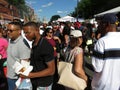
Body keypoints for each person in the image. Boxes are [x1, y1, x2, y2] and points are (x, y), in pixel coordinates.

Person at [21, 22, 55, 90]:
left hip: (43, 84)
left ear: (37, 30)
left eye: (28, 32)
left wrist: (30, 75)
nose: (25, 35)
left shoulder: (45, 46)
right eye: (24, 33)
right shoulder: (34, 42)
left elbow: (51, 70)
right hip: (35, 82)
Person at [91, 13, 120, 90]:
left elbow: (97, 68)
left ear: (107, 24)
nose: (99, 26)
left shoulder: (101, 42)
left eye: (100, 24)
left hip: (103, 86)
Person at [6, 21, 31, 90]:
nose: (8, 32)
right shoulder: (11, 40)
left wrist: (20, 83)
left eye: (11, 30)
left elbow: (25, 67)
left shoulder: (22, 44)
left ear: (19, 31)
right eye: (7, 30)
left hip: (16, 79)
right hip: (10, 76)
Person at [0, 25, 8, 90]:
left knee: (3, 73)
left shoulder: (3, 40)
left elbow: (7, 50)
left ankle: (4, 84)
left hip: (3, 59)